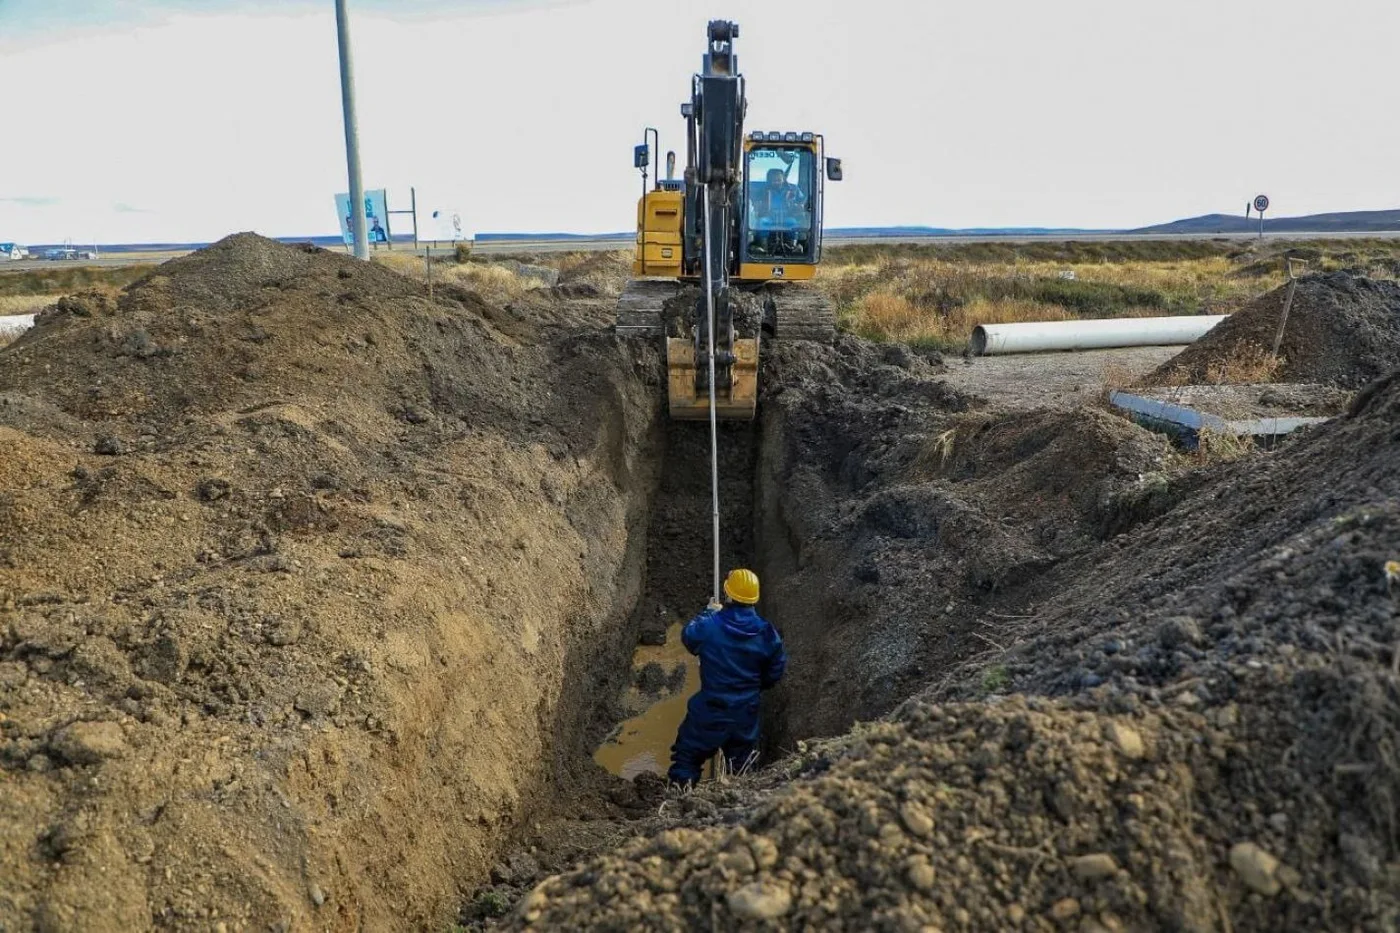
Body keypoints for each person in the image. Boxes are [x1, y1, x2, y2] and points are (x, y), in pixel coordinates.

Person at [667, 568, 787, 787]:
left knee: (687, 758)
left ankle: (680, 802)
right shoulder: (768, 633)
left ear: (728, 595)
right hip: (746, 714)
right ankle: (739, 804)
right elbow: (775, 672)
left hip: (710, 711)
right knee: (742, 768)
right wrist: (753, 688)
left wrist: (709, 613)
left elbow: (689, 637)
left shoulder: (710, 626)